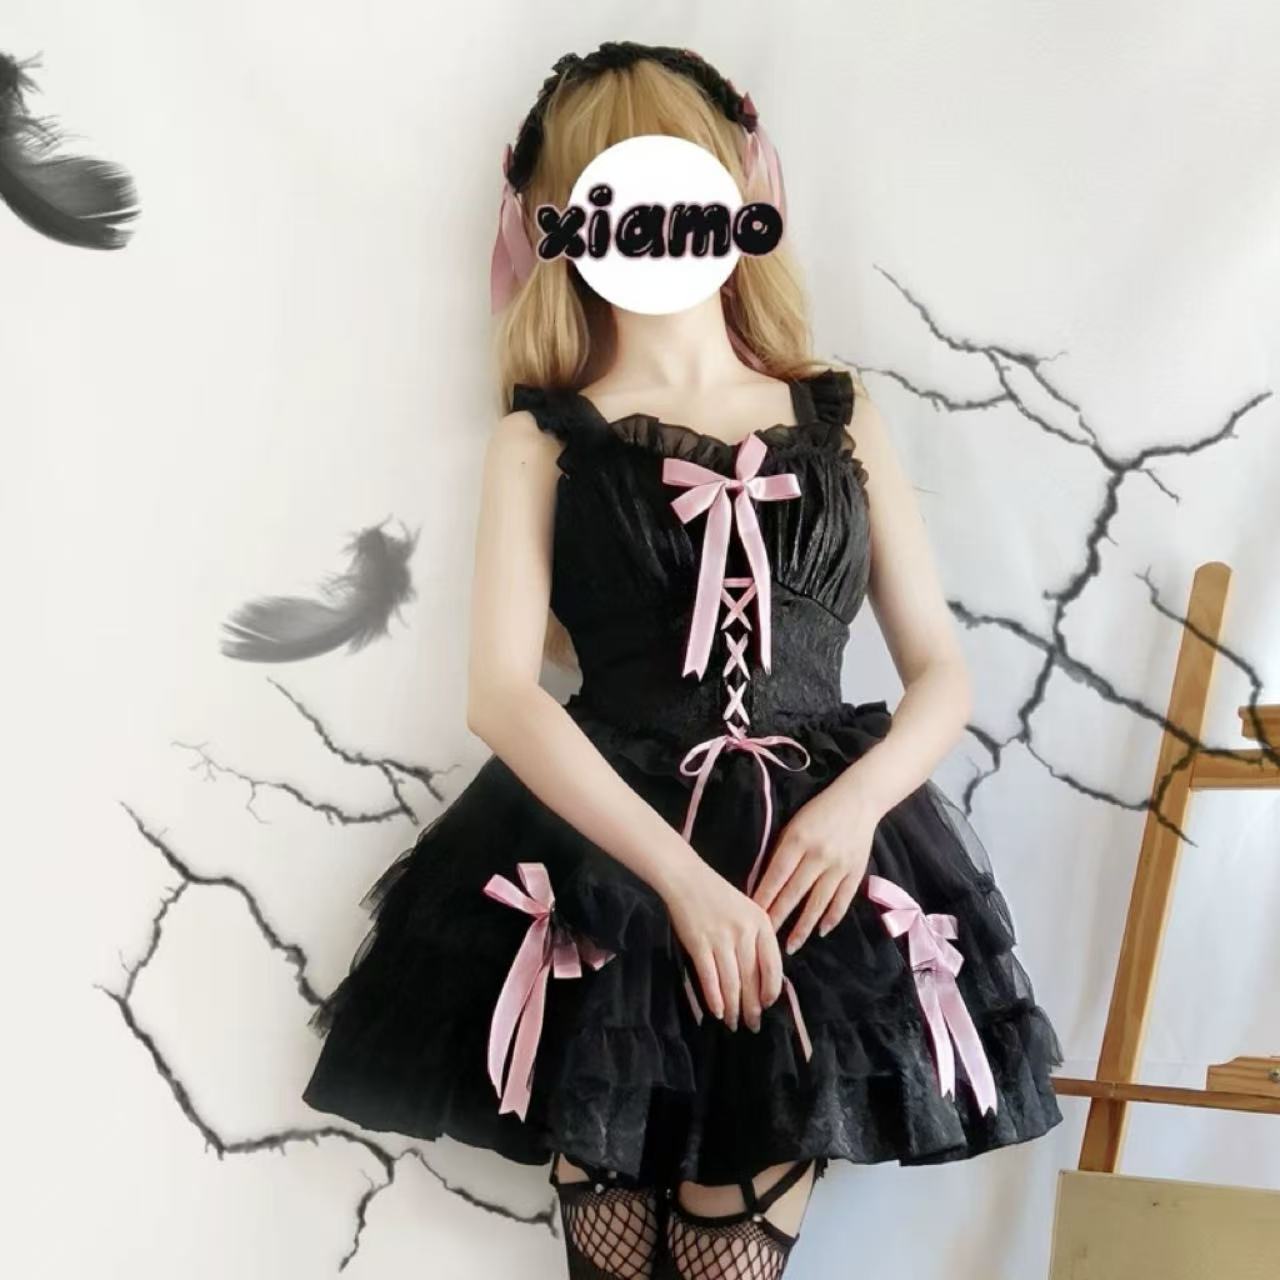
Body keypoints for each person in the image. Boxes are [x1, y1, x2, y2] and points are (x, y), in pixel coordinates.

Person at [302, 41, 1065, 1280]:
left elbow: (940, 673)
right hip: (610, 867)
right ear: (558, 222)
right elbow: (500, 694)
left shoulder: (837, 412)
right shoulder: (541, 438)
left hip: (809, 872)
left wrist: (853, 809)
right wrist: (679, 880)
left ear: (738, 189)